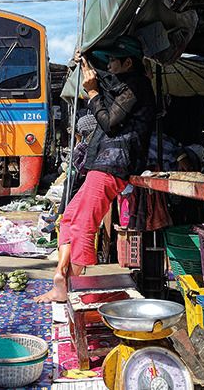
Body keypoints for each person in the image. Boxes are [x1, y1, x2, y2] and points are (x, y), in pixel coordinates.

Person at [35, 36, 155, 303]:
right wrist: (87, 61)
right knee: (69, 219)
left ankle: (77, 289)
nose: (109, 65)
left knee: (84, 226)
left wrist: (92, 94)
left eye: (113, 60)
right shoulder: (126, 84)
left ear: (127, 62)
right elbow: (107, 82)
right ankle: (60, 278)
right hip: (104, 163)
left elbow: (110, 122)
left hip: (114, 165)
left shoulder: (137, 86)